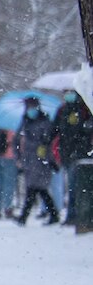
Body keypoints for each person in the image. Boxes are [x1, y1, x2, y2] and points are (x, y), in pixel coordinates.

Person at [15, 95, 58, 225]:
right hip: (29, 161)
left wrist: (48, 156)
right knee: (37, 189)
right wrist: (19, 158)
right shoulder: (24, 122)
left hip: (41, 160)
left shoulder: (44, 122)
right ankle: (52, 214)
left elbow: (48, 140)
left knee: (35, 189)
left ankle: (24, 217)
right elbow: (17, 141)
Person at [53, 88, 93, 225]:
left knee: (77, 186)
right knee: (72, 186)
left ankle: (78, 215)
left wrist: (82, 125)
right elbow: (55, 129)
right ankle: (73, 215)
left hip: (82, 154)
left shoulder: (84, 109)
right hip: (67, 153)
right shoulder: (62, 110)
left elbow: (88, 128)